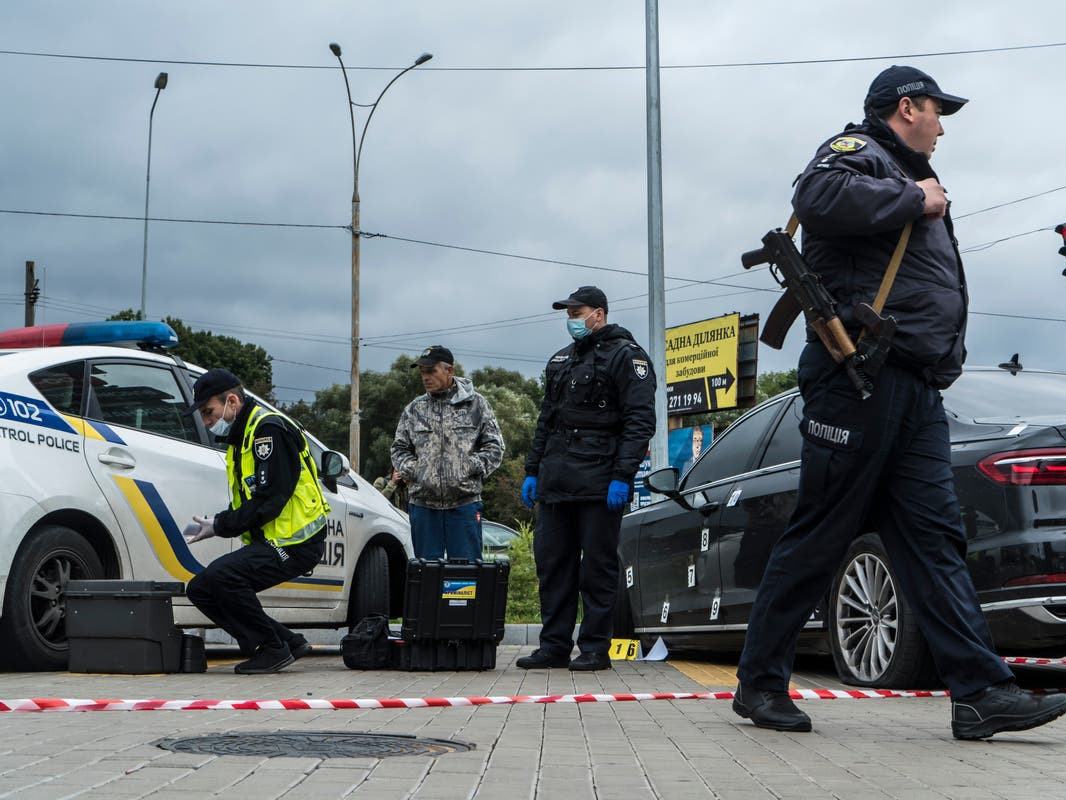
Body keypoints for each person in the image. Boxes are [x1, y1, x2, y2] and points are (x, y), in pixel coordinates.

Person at [733, 66, 1066, 740]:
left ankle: (980, 695)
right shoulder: (855, 155)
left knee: (934, 541)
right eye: (937, 112)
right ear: (906, 107)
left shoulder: (901, 173)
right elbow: (817, 198)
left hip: (911, 387)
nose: (942, 127)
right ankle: (760, 683)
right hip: (857, 379)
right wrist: (915, 201)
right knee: (822, 532)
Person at [518, 286, 656, 671]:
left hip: (600, 480)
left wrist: (622, 476)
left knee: (597, 568)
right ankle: (554, 646)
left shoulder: (627, 358)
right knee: (553, 565)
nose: (571, 320)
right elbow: (546, 420)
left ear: (599, 314)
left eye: (577, 313)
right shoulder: (560, 360)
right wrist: (532, 471)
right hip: (556, 480)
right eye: (568, 314)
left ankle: (595, 647)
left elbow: (640, 422)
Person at [182, 369, 329, 675]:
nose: (207, 423)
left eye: (209, 412)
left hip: (296, 542)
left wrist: (220, 526)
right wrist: (217, 524)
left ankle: (271, 649)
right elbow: (252, 498)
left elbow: (269, 501)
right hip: (275, 540)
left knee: (224, 577)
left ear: (231, 401)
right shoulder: (242, 437)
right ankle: (288, 642)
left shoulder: (267, 431)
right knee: (200, 588)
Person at [390, 345, 504, 560]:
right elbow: (399, 449)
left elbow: (495, 446)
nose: (426, 377)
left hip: (464, 505)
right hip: (423, 507)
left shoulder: (476, 405)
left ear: (449, 371)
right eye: (423, 372)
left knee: (465, 578)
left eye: (431, 371)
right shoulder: (415, 409)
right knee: (426, 575)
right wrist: (416, 471)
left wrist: (469, 467)